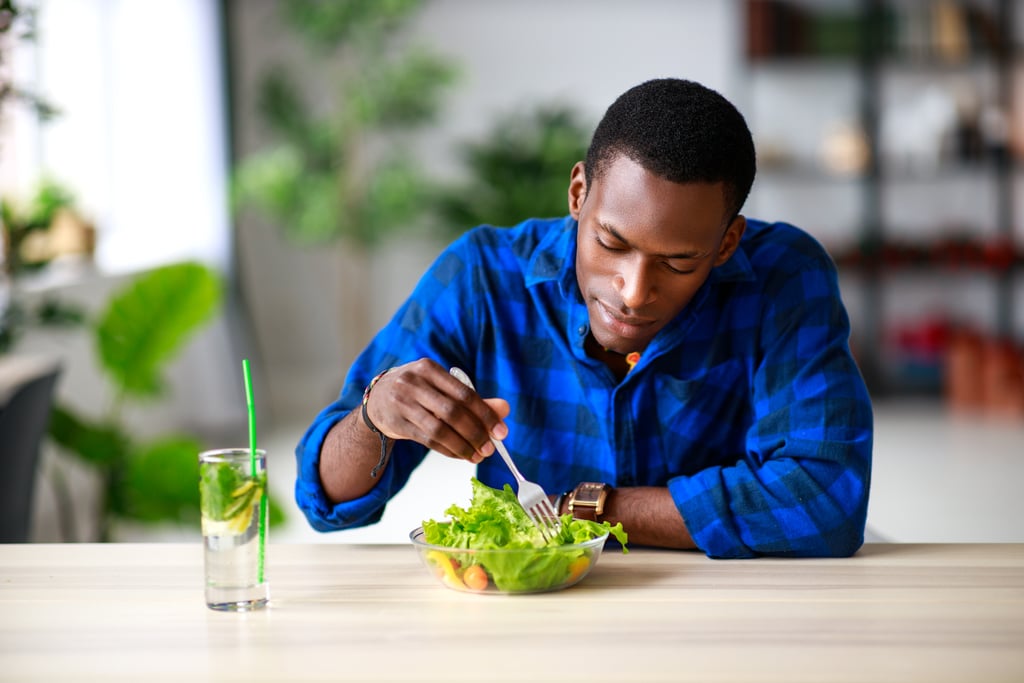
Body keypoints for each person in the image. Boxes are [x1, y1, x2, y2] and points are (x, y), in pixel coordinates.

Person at [295, 78, 873, 558]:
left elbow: (825, 499)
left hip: (716, 620)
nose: (634, 291)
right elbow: (324, 502)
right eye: (610, 242)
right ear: (578, 194)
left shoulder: (783, 277)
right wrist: (375, 416)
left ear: (726, 244)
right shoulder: (482, 278)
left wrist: (593, 511)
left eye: (678, 262)